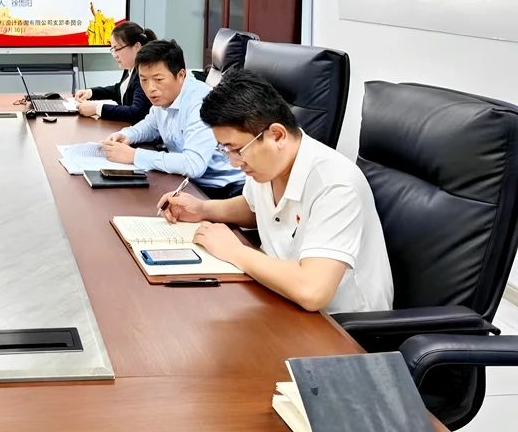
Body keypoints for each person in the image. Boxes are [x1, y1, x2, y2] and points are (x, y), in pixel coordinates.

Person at [157, 70, 394, 314]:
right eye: (225, 150)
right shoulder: (268, 164)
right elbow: (255, 208)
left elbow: (313, 291)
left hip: (339, 322)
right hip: (280, 293)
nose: (234, 163)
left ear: (277, 135)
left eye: (237, 150)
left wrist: (235, 251)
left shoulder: (335, 184)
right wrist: (203, 209)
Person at [101, 39, 245, 198]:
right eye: (144, 80)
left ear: (181, 75)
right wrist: (127, 135)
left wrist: (134, 156)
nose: (150, 88)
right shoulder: (164, 97)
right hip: (185, 181)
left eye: (158, 80)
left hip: (222, 189)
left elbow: (193, 165)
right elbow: (151, 125)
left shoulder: (201, 103)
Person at [74, 21, 154, 123]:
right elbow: (118, 90)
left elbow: (136, 112)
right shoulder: (131, 68)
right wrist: (91, 93)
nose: (114, 55)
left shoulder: (145, 73)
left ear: (137, 47)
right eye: (112, 50)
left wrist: (97, 108)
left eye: (117, 49)